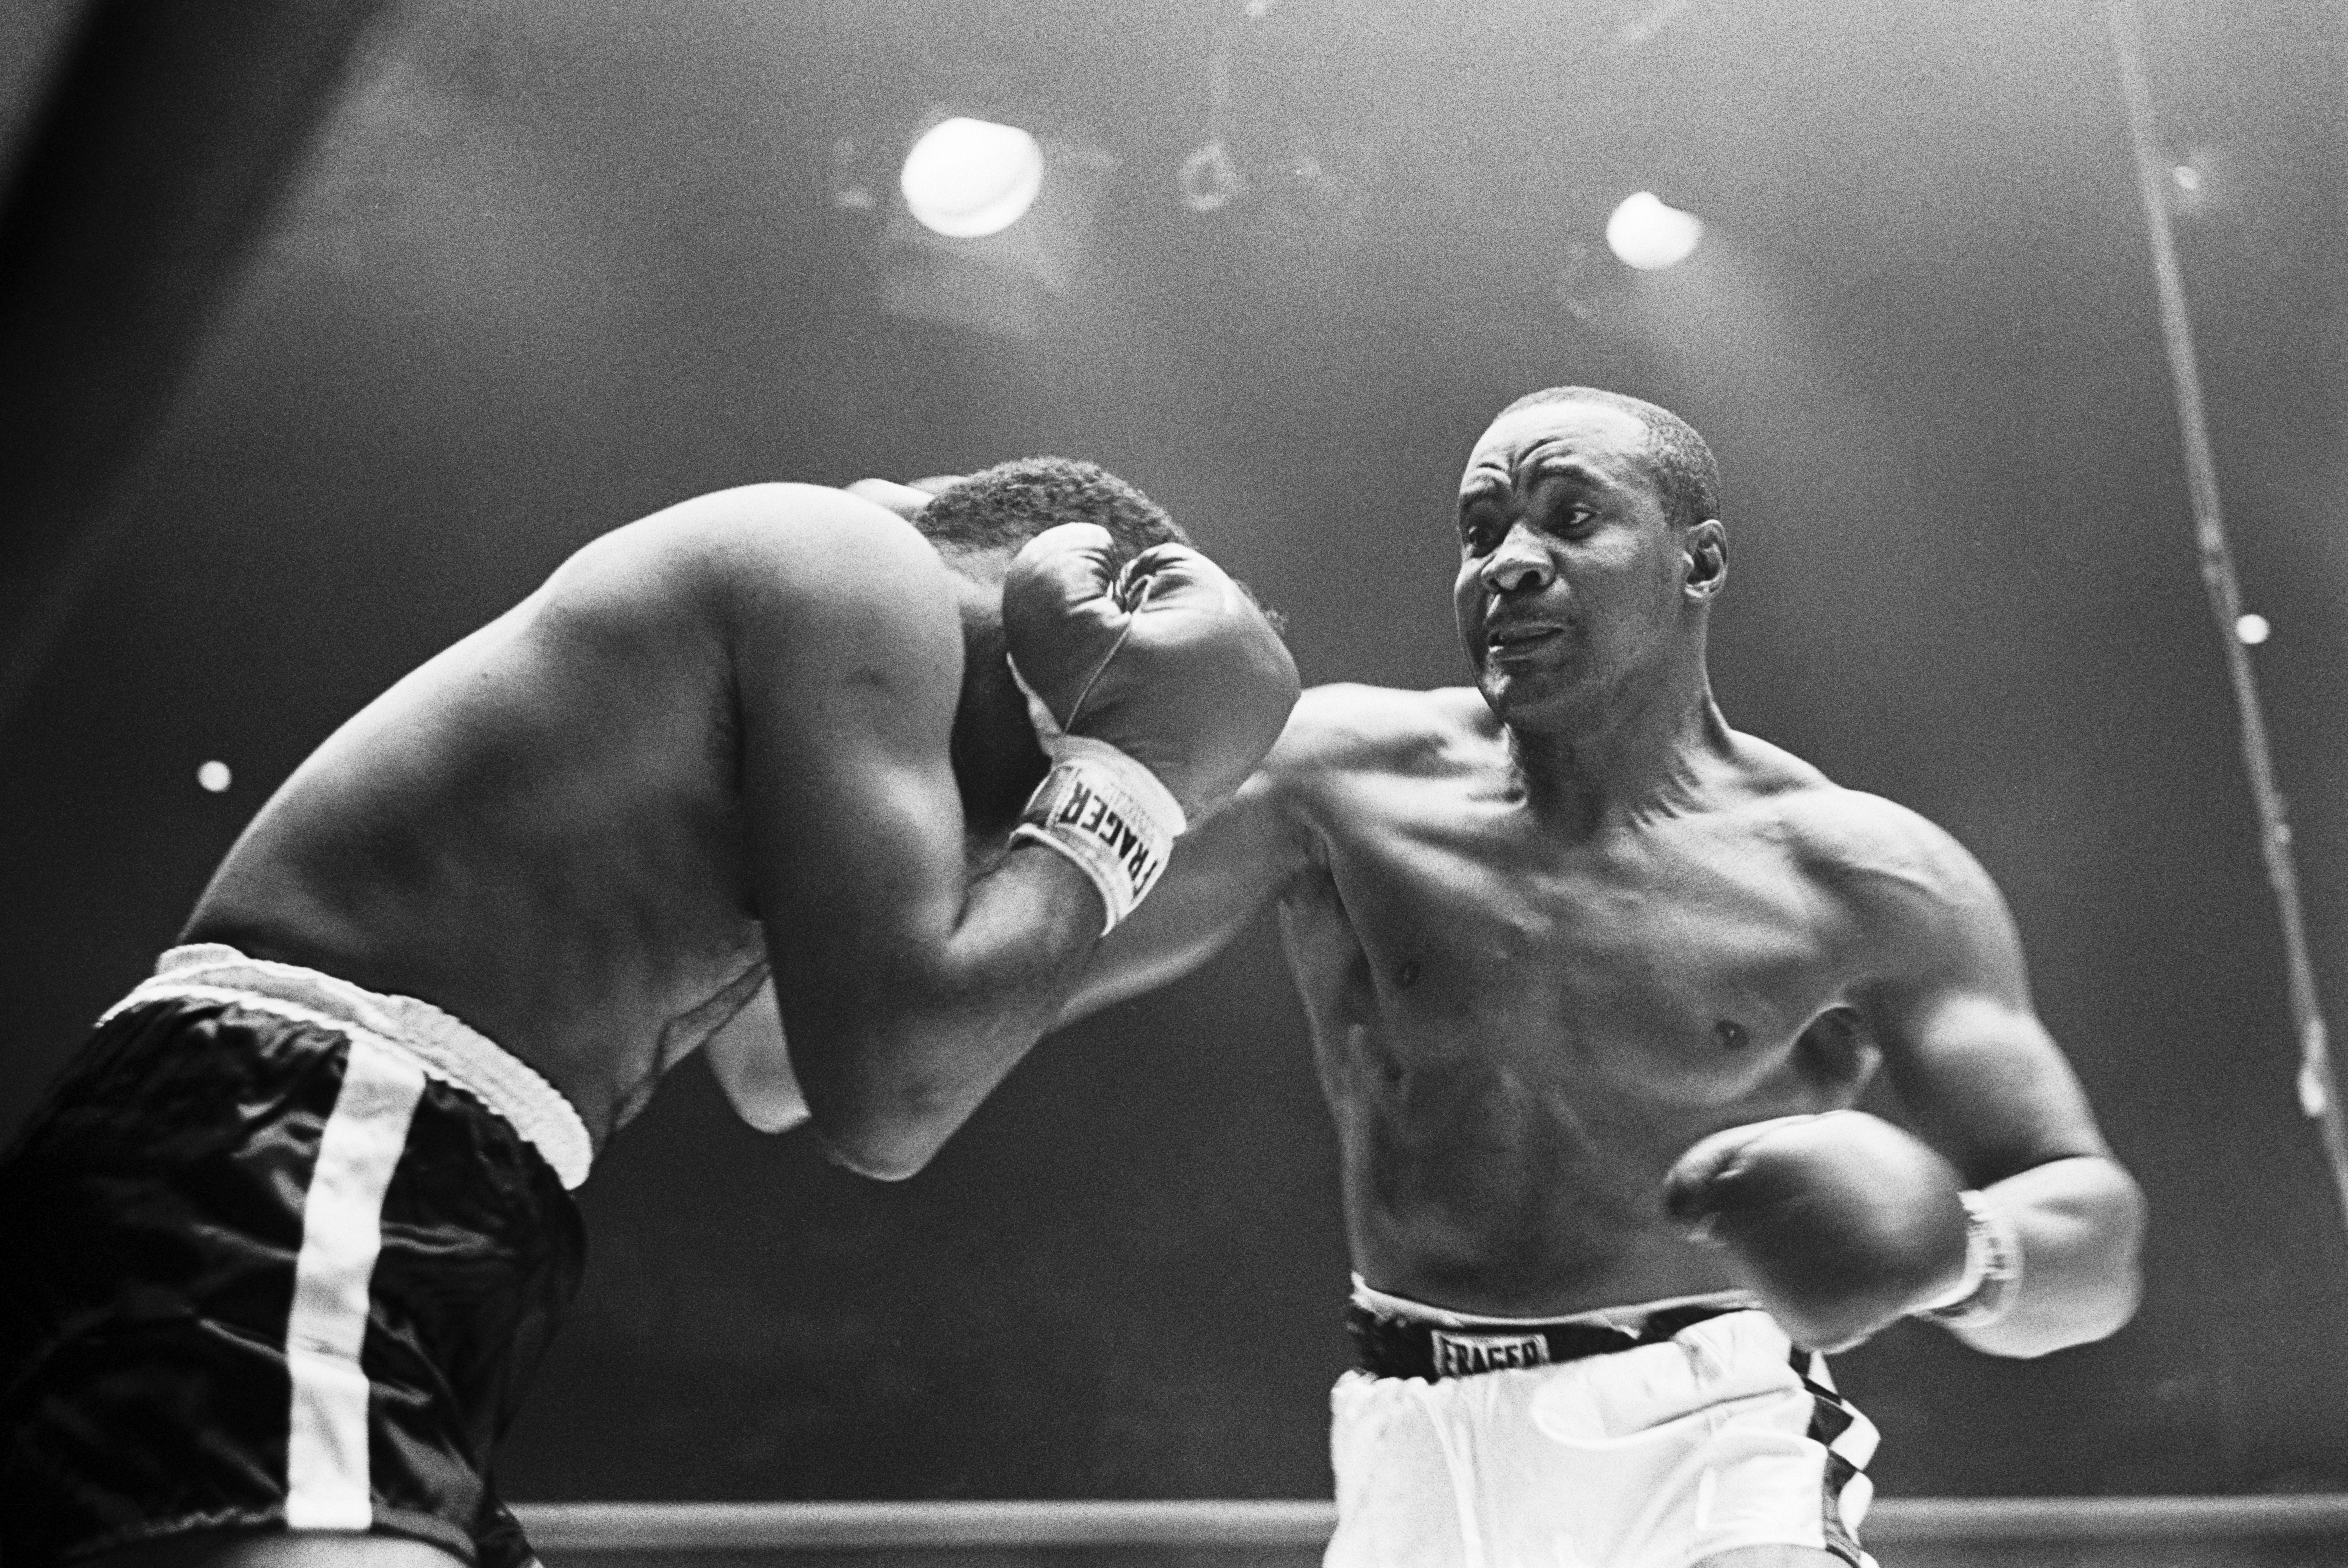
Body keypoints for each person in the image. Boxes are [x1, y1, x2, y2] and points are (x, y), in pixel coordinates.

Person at [0, 460, 1298, 1568]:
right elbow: (894, 1095)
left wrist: (1125, 818)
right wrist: (1123, 788)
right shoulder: (858, 564)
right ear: (1075, 602)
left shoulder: (777, 678)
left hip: (366, 1181)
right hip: (303, 1144)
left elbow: (780, 1066)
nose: (1020, 803)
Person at [1062, 389, 2146, 1568]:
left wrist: (1961, 1251)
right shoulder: (1335, 781)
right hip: (1405, 1431)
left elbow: (2093, 1235)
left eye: (1570, 517)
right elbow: (1029, 964)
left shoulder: (1860, 875)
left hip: (1710, 1439)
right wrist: (1081, 756)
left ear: (1699, 561)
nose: (1512, 564)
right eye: (1482, 533)